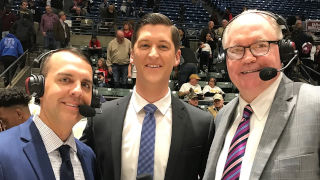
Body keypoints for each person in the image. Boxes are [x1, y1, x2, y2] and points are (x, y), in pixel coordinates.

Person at [81, 13, 215, 180]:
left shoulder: (202, 124)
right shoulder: (101, 117)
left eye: (163, 47)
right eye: (145, 45)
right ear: (131, 54)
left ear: (177, 57)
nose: (153, 54)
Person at [203, 10, 320, 180]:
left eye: (260, 45)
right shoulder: (223, 115)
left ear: (283, 51)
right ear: (224, 59)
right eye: (236, 49)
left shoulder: (316, 104)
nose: (248, 58)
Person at [0, 48, 96, 179]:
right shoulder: (3, 149)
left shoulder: (89, 156)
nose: (78, 91)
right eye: (65, 80)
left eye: (85, 84)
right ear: (37, 87)